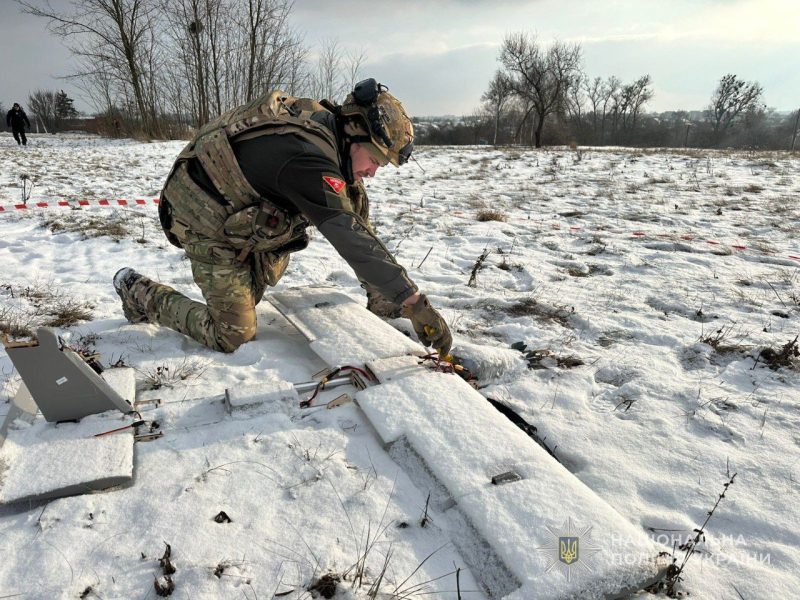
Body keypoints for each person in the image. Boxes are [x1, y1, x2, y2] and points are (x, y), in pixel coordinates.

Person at [113, 79, 452, 355]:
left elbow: (353, 217)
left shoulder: (328, 132)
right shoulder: (306, 158)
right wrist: (414, 302)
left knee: (353, 193)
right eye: (374, 160)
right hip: (204, 220)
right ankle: (140, 291)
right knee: (233, 333)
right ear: (354, 132)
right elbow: (350, 237)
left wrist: (390, 295)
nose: (373, 171)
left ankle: (380, 298)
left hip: (245, 213)